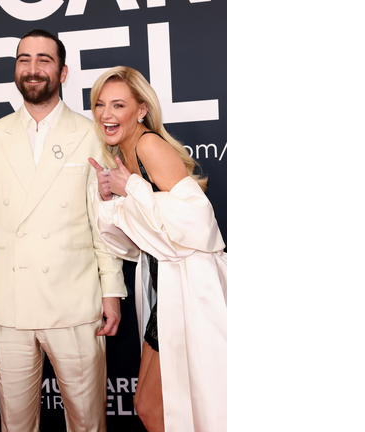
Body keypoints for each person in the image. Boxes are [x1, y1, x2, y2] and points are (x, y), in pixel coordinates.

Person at [0, 29, 127, 432]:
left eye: (44, 60)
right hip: (7, 307)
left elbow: (102, 223)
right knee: (15, 424)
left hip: (75, 306)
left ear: (63, 72)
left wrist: (111, 292)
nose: (33, 69)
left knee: (87, 423)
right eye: (24, 60)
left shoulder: (90, 133)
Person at [87, 66, 228, 432]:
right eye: (100, 104)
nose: (107, 114)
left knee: (176, 406)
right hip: (163, 294)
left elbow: (199, 221)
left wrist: (131, 187)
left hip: (192, 292)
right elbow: (134, 245)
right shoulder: (123, 152)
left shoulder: (148, 144)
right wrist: (109, 199)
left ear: (142, 110)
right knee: (149, 405)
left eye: (118, 105)